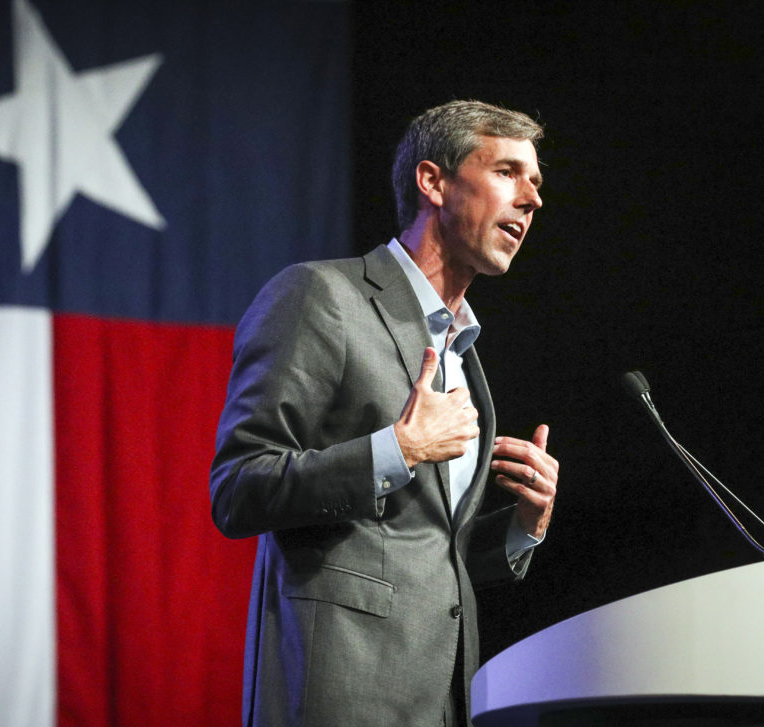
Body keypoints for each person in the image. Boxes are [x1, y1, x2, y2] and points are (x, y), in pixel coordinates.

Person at [210, 100, 559, 727]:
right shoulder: (322, 296)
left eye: (536, 182)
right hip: (338, 696)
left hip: (442, 701)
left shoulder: (464, 356)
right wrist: (398, 450)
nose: (532, 199)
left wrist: (522, 527)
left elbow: (420, 561)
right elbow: (238, 489)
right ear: (433, 182)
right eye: (508, 172)